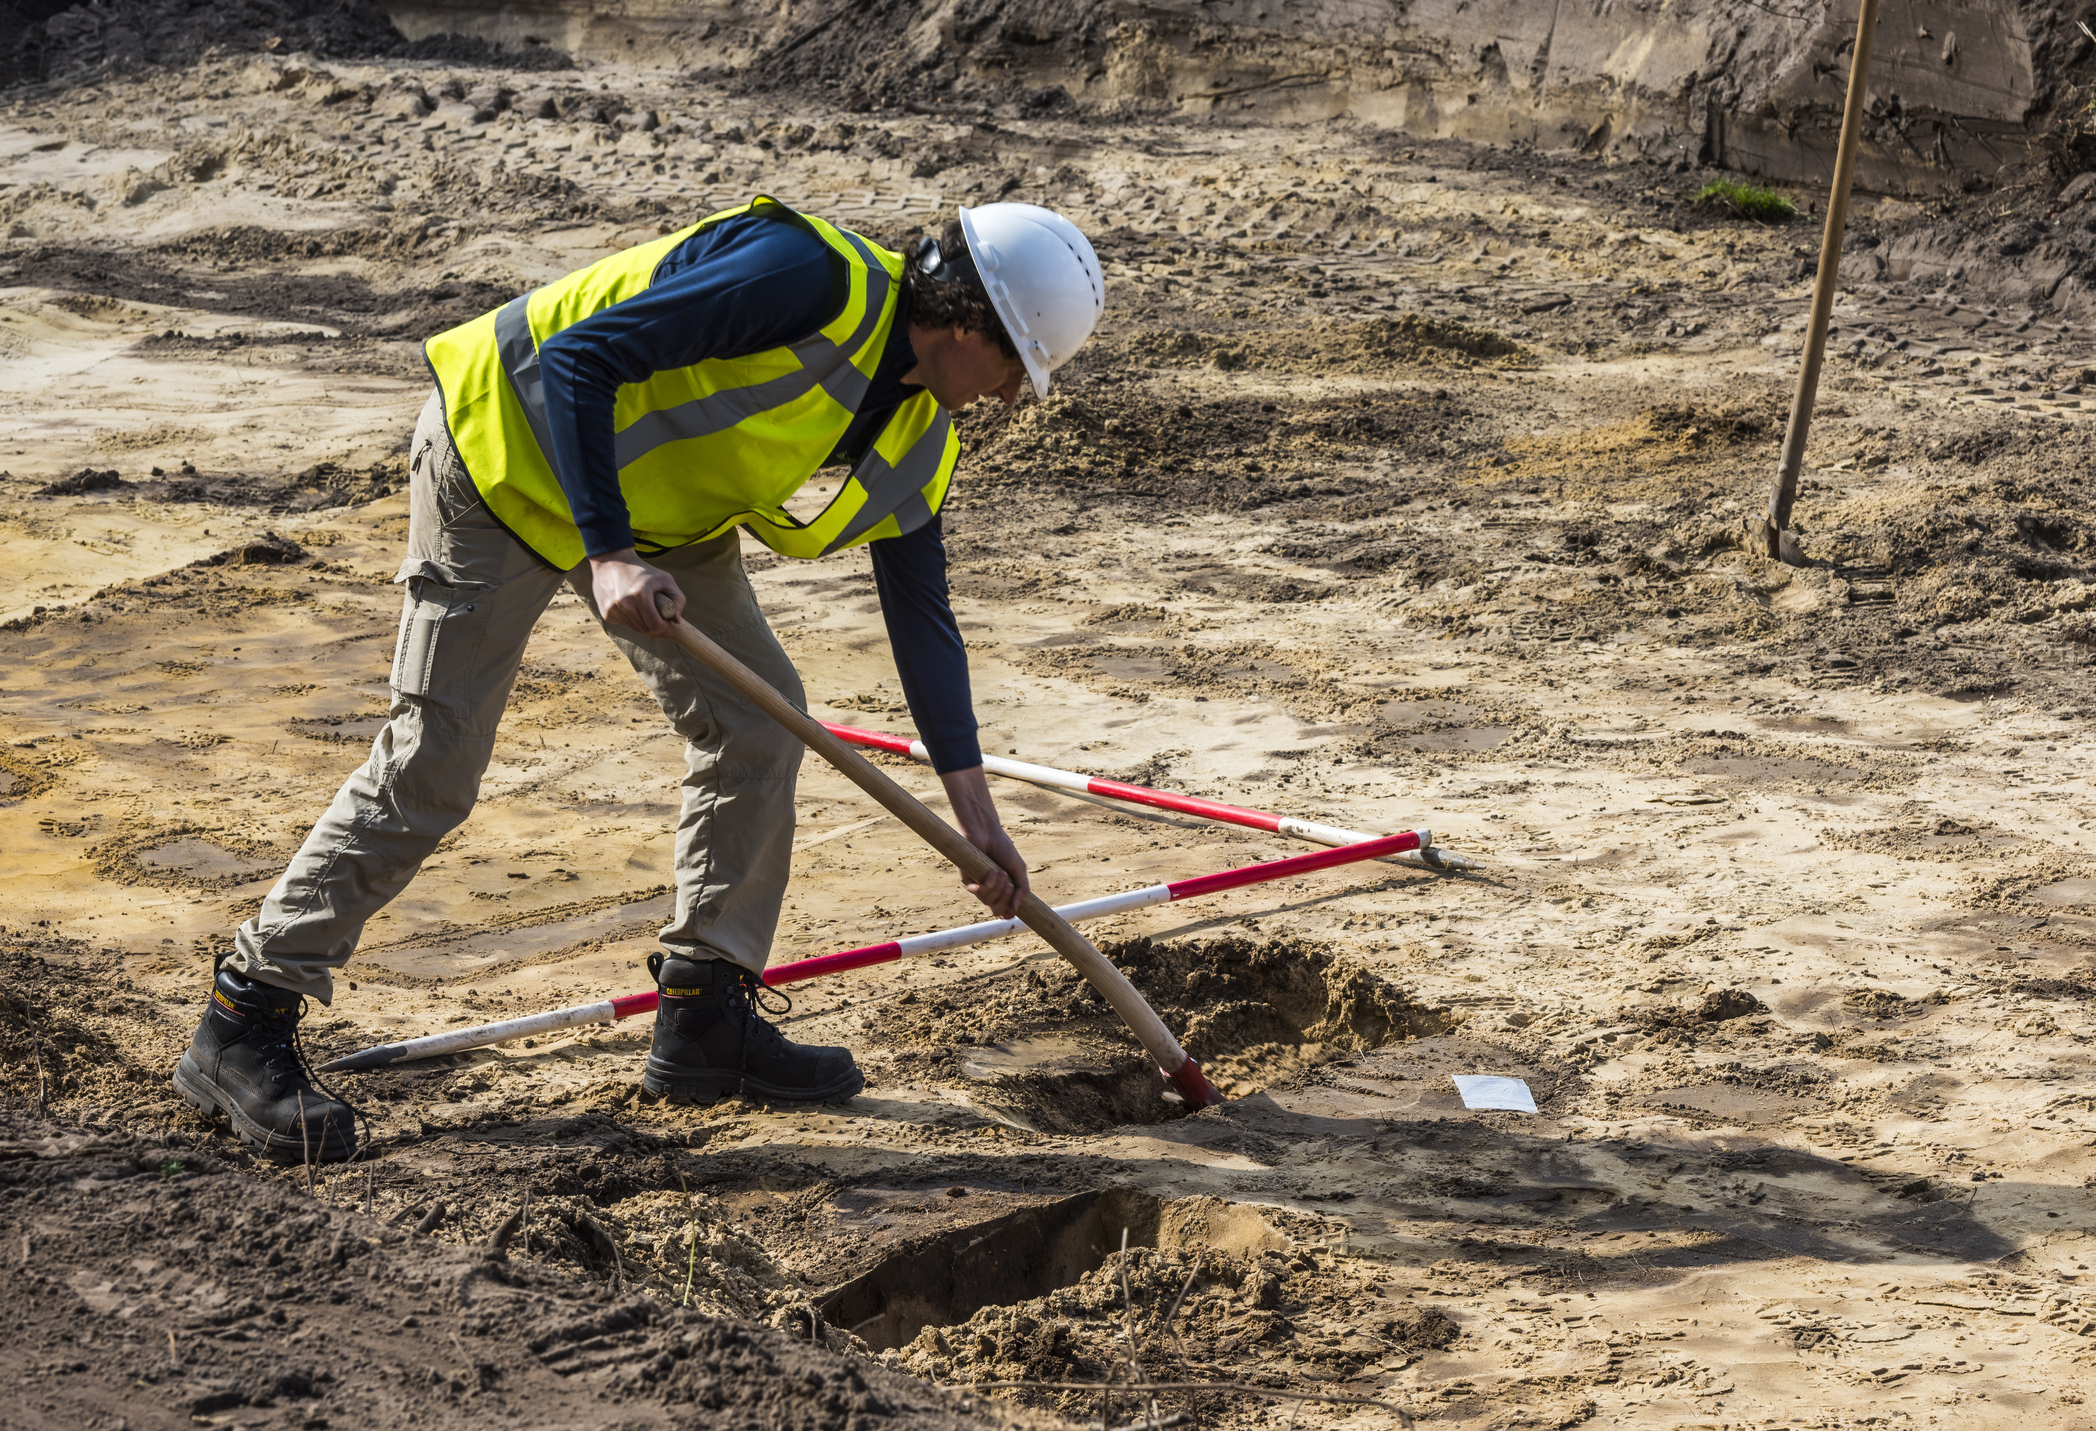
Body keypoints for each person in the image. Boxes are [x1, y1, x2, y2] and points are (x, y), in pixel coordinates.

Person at [172, 196, 1106, 1161]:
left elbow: (923, 617)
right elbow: (579, 356)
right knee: (433, 764)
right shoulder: (804, 276)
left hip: (654, 513)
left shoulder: (919, 430)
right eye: (1014, 369)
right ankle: (245, 1014)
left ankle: (705, 1013)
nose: (1008, 398)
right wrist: (608, 553)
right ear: (964, 326)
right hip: (507, 452)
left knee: (759, 720)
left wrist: (975, 812)